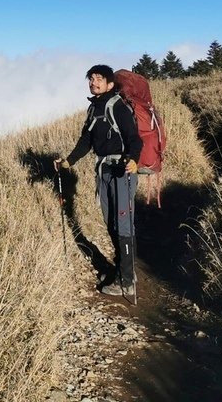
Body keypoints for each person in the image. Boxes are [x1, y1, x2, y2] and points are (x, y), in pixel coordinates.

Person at [55, 64, 141, 297]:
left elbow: (135, 139)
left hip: (121, 171)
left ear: (110, 84)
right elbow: (87, 140)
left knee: (122, 224)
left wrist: (133, 160)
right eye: (91, 78)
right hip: (103, 170)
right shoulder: (94, 109)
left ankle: (127, 282)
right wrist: (69, 161)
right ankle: (124, 271)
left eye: (99, 78)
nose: (94, 82)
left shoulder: (118, 107)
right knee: (110, 221)